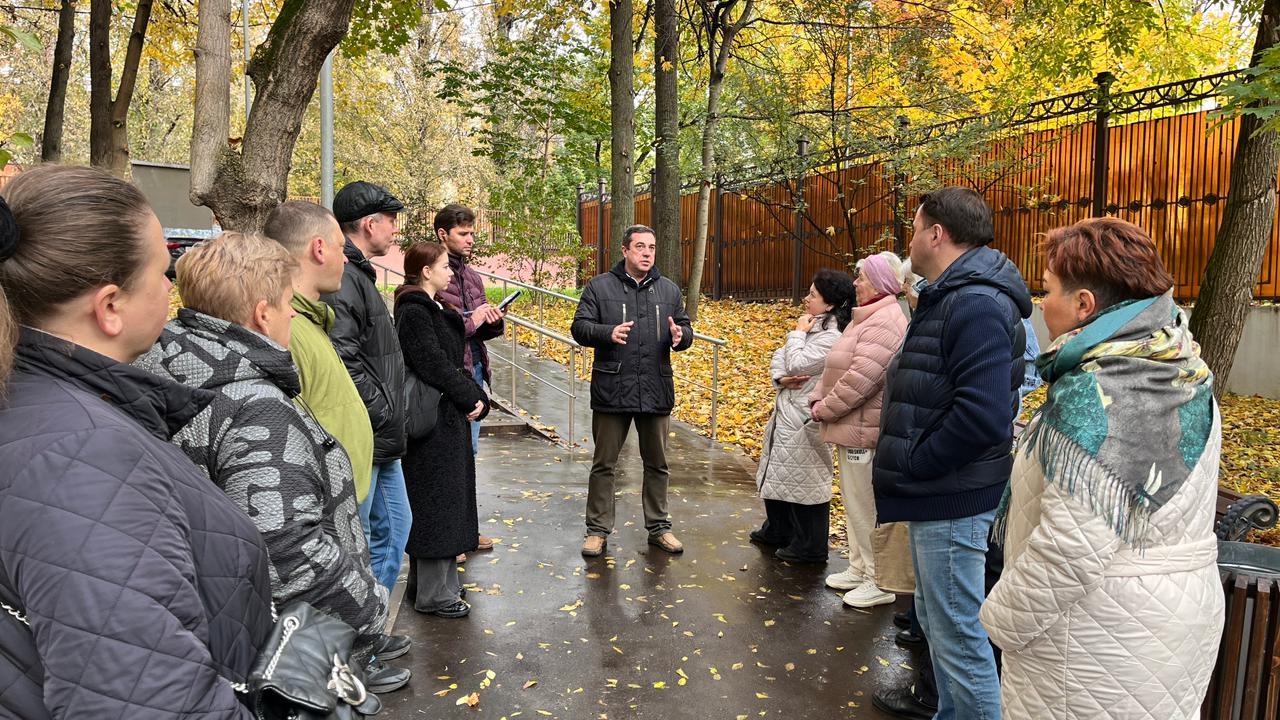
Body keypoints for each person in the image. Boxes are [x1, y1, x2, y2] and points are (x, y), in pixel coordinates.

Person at [0, 165, 274, 718]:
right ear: (109, 307)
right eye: (162, 270)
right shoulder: (79, 458)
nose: (171, 287)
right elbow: (144, 700)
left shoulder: (42, 410)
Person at [139, 232, 411, 694]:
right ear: (263, 315)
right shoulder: (254, 406)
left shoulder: (174, 368)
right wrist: (368, 610)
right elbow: (289, 550)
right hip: (279, 646)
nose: (292, 314)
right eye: (287, 303)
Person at [981, 217, 1222, 719]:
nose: (1040, 302)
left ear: (1083, 304)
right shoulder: (1177, 364)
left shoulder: (1103, 392)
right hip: (1163, 621)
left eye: (1046, 289)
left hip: (1096, 637)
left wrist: (998, 623)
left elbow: (1071, 549)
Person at [871, 187, 1031, 720]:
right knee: (942, 630)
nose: (909, 240)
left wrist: (917, 462)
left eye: (914, 228)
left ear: (936, 234)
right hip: (940, 494)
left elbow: (982, 416)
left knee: (958, 636)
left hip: (951, 497)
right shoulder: (955, 293)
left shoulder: (976, 301)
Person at [571, 224, 694, 557]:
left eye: (651, 247)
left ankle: (659, 528)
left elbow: (683, 327)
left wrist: (681, 336)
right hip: (613, 388)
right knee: (604, 464)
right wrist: (606, 332)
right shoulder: (599, 287)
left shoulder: (668, 290)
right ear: (624, 250)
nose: (647, 253)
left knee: (658, 464)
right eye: (640, 246)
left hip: (655, 387)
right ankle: (597, 530)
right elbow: (579, 327)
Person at [394, 242, 490, 618]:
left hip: (445, 416)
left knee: (447, 501)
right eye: (443, 266)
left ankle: (439, 584)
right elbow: (433, 363)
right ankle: (435, 593)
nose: (451, 272)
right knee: (436, 504)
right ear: (425, 271)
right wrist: (472, 396)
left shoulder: (432, 307)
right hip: (433, 420)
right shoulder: (415, 311)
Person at [325, 180, 411, 592]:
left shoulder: (357, 273)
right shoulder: (344, 277)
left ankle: (371, 627)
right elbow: (343, 358)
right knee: (357, 539)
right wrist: (381, 411)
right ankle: (359, 639)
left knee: (396, 527)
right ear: (368, 224)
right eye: (391, 221)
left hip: (381, 435)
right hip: (367, 433)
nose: (395, 230)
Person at [810, 255, 910, 606]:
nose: (855, 283)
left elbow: (861, 379)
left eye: (862, 277)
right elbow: (839, 365)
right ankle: (858, 567)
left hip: (864, 430)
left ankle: (876, 578)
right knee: (853, 502)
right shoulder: (867, 316)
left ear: (881, 283)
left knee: (865, 505)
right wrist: (818, 395)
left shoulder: (883, 321)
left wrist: (825, 406)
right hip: (852, 426)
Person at [264, 200, 375, 509]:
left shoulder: (310, 320)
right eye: (341, 248)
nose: (346, 260)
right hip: (326, 507)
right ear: (319, 249)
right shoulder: (287, 329)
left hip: (342, 497)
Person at [748, 270, 853, 563]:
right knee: (780, 470)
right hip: (788, 409)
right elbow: (779, 359)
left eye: (813, 295)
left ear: (830, 304)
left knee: (806, 478)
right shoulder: (813, 328)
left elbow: (795, 362)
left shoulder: (831, 336)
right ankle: (779, 529)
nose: (806, 299)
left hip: (805, 414)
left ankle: (810, 545)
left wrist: (796, 335)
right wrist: (780, 378)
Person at [435, 203, 503, 554]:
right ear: (442, 234)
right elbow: (440, 330)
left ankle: (467, 530)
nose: (470, 239)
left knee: (471, 453)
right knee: (452, 456)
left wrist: (493, 318)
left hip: (476, 370)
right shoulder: (432, 274)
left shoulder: (473, 276)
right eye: (464, 233)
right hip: (451, 376)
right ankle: (452, 534)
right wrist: (472, 319)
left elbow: (479, 331)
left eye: (472, 233)